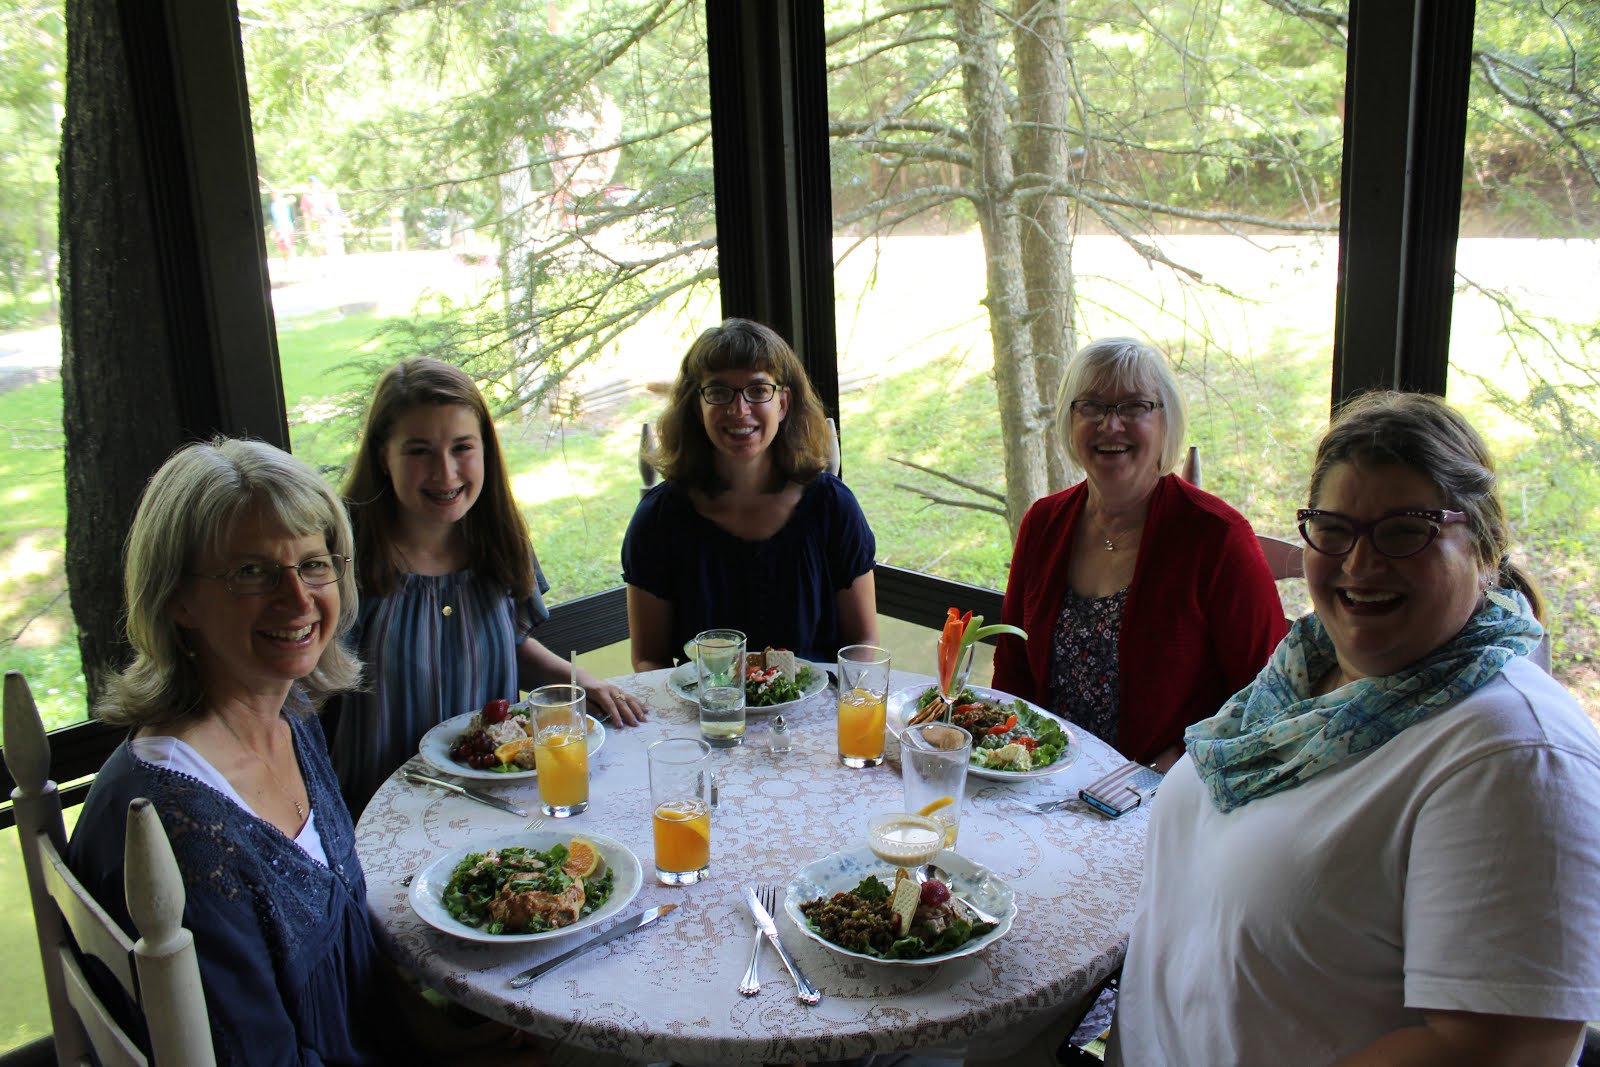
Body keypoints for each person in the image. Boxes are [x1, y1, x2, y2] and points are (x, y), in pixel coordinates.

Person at [1107, 391, 1600, 1066]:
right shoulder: (1303, 674)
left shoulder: (1515, 756)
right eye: (1333, 529)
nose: (1361, 564)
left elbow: (1501, 1049)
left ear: (1484, 549)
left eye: (1406, 530)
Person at [66, 437, 395, 1064]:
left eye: (314, 564)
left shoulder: (289, 719)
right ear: (178, 598)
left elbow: (351, 942)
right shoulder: (181, 834)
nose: (298, 600)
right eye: (252, 572)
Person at [332, 356, 646, 810]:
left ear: (485, 449)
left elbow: (507, 644)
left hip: (490, 800)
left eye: (462, 447)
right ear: (383, 456)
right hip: (383, 809)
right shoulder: (344, 558)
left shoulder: (498, 537)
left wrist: (581, 685)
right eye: (418, 451)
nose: (445, 473)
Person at [991, 337, 1286, 770]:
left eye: (1133, 407)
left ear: (1166, 421)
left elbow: (1266, 697)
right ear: (1069, 420)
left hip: (1162, 793)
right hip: (1040, 780)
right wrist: (1005, 755)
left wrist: (1175, 766)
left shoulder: (1217, 538)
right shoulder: (1043, 523)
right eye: (1091, 406)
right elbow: (1012, 667)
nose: (1111, 426)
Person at [623, 318, 878, 669]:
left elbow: (863, 643)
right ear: (698, 407)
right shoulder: (658, 518)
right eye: (718, 391)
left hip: (819, 714)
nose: (739, 410)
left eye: (758, 390)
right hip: (708, 719)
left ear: (783, 404)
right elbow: (649, 658)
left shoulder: (832, 506)